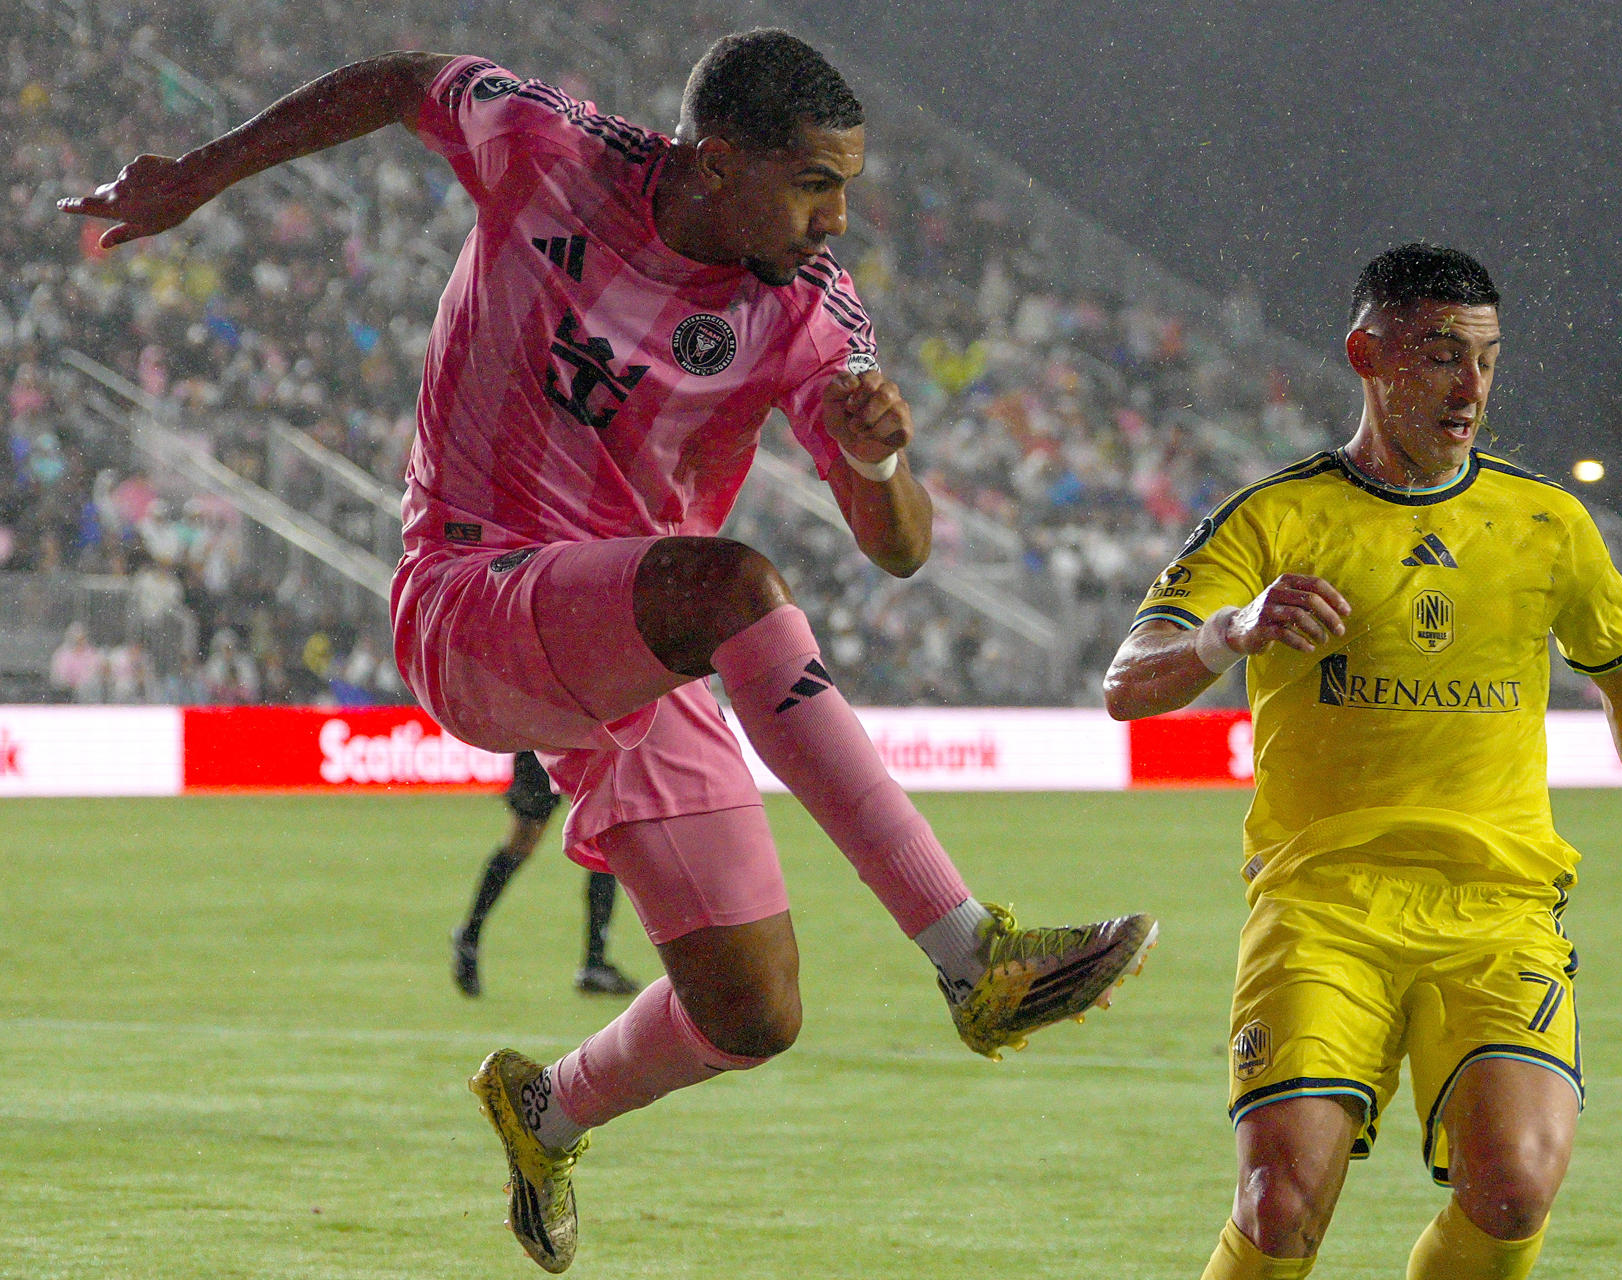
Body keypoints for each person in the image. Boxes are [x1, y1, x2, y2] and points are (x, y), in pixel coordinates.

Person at [62, 30, 1156, 1273]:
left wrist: (881, 459)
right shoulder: (549, 149)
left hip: (643, 636)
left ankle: (550, 1106)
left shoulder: (809, 308)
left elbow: (898, 547)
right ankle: (970, 953)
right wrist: (199, 175)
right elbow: (399, 77)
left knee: (753, 1011)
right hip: (471, 591)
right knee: (734, 579)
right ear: (717, 161)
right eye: (813, 183)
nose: (837, 218)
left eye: (845, 186)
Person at [1104, 243, 1622, 1280]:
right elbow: (1128, 682)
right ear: (1366, 353)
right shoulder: (1278, 516)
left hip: (1499, 911)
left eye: (1487, 357)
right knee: (1278, 1206)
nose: (1472, 387)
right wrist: (1235, 628)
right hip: (1322, 909)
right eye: (1442, 355)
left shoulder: (1548, 524)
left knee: (1515, 1184)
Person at [453, 751, 641, 998]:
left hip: (584, 739)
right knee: (524, 840)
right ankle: (470, 934)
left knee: (604, 835)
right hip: (545, 739)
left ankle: (594, 963)